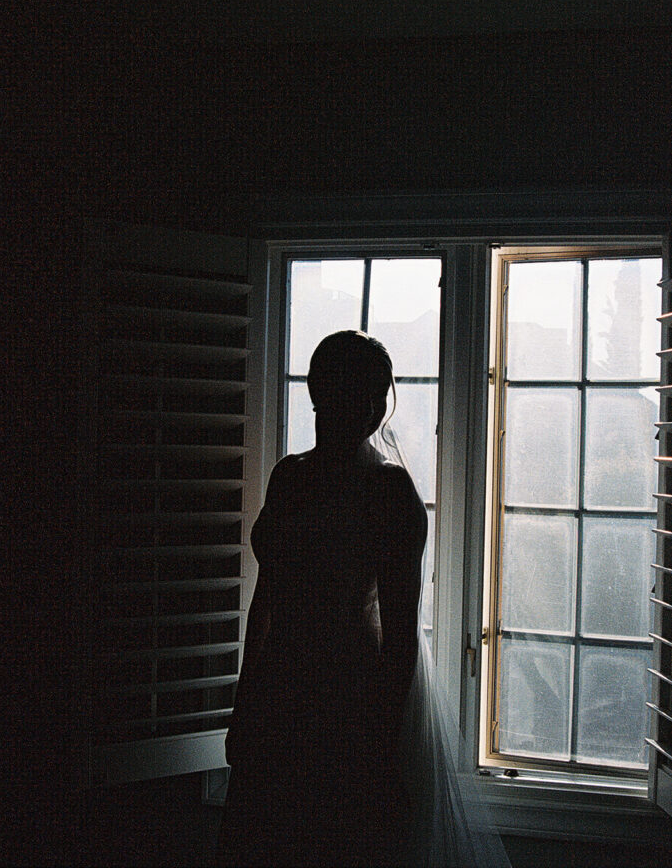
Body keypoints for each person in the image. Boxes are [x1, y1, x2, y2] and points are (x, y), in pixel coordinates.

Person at [215, 330, 510, 867]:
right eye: (360, 390)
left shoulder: (390, 493)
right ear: (320, 390)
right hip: (280, 688)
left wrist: (379, 745)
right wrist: (245, 703)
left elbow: (400, 637)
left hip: (345, 696)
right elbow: (266, 602)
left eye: (381, 393)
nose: (373, 408)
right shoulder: (289, 476)